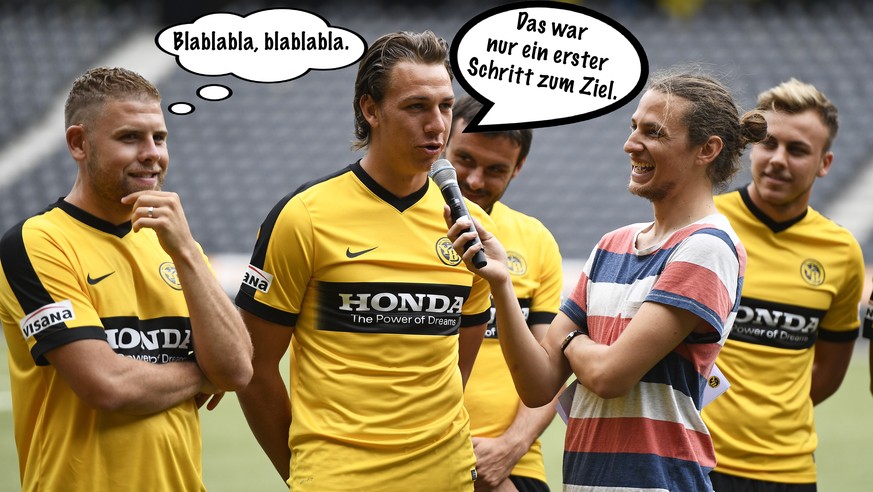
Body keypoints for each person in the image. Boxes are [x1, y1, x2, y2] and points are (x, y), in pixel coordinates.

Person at [446, 69, 767, 490]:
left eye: (653, 132)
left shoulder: (708, 247)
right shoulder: (612, 245)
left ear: (707, 149)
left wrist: (569, 340)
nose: (631, 144)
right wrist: (502, 284)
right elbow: (538, 386)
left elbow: (608, 377)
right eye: (634, 127)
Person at [234, 31, 494, 491]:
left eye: (445, 106)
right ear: (370, 109)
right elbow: (255, 367)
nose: (437, 125)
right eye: (416, 107)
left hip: (448, 478)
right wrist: (305, 474)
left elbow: (459, 367)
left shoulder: (468, 226)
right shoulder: (304, 216)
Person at [0, 66, 253, 491]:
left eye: (160, 138)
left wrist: (187, 252)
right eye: (130, 137)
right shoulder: (37, 242)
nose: (152, 153)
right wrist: (204, 373)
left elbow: (238, 370)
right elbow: (107, 386)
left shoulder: (178, 246)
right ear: (79, 143)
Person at [702, 79, 866, 491]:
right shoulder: (704, 223)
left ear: (824, 163)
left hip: (788, 472)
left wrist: (776, 415)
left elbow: (829, 370)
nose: (777, 159)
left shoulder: (841, 252)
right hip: (695, 461)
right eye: (769, 144)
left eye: (797, 150)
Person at [445, 94, 562, 492]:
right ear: (442, 145)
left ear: (519, 167)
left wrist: (511, 446)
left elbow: (550, 367)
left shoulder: (536, 239)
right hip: (421, 454)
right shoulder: (398, 227)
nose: (476, 181)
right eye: (464, 159)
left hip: (514, 460)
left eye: (496, 169)